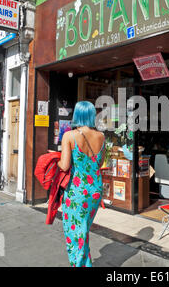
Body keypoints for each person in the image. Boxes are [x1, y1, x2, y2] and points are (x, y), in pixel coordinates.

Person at [57, 101, 105, 267]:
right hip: (95, 190)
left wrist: (55, 160)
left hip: (77, 191)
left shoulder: (69, 136)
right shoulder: (101, 136)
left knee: (74, 231)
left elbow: (64, 165)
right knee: (82, 230)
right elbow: (99, 163)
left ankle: (80, 264)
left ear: (77, 115)